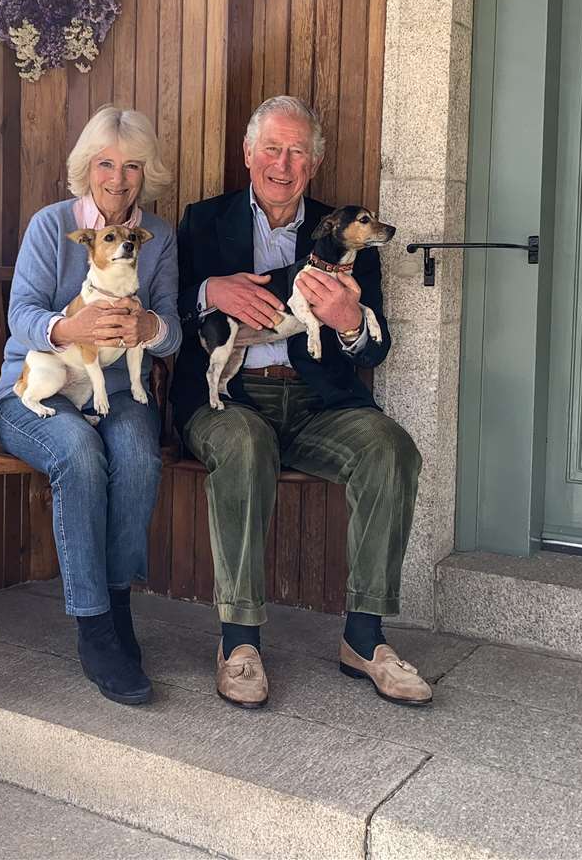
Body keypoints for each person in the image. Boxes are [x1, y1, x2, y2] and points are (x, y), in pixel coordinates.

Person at [172, 94, 429, 709]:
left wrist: (347, 320)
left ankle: (364, 639)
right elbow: (166, 307)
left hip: (319, 405)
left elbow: (374, 348)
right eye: (271, 149)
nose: (282, 165)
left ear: (313, 164)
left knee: (391, 450)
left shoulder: (345, 232)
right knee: (243, 442)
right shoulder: (203, 221)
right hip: (229, 399)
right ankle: (239, 641)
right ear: (247, 154)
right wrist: (211, 289)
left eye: (296, 153)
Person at [0, 105, 181, 705]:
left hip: (117, 391)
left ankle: (119, 605)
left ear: (146, 172)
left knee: (136, 453)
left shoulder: (161, 237)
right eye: (105, 163)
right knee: (77, 451)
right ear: (86, 168)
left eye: (131, 166)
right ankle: (95, 625)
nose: (118, 178)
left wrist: (150, 325)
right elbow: (20, 315)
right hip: (37, 386)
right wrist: (69, 327)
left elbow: (174, 331)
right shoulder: (51, 227)